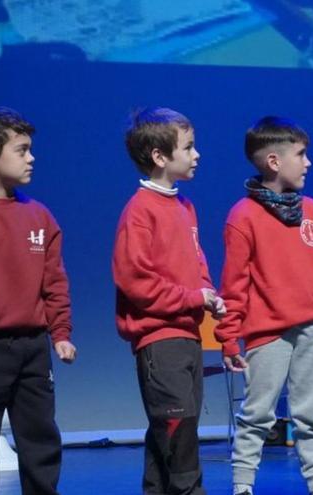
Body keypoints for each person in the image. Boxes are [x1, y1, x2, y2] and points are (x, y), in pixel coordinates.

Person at [213, 116, 313, 495]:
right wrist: (228, 337)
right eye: (300, 155)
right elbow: (234, 284)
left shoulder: (311, 210)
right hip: (267, 333)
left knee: (310, 416)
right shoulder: (243, 216)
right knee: (257, 415)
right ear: (273, 162)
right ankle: (243, 486)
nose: (308, 162)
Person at [113, 107, 225, 495]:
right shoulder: (140, 211)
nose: (197, 155)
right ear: (160, 156)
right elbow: (136, 282)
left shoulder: (185, 206)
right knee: (178, 435)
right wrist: (193, 296)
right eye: (189, 147)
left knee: (174, 432)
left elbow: (196, 263)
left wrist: (208, 295)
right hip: (160, 340)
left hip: (187, 335)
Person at [0, 106, 76, 495]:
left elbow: (53, 281)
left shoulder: (38, 216)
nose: (31, 158)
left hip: (33, 349)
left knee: (40, 438)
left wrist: (61, 332)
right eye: (21, 150)